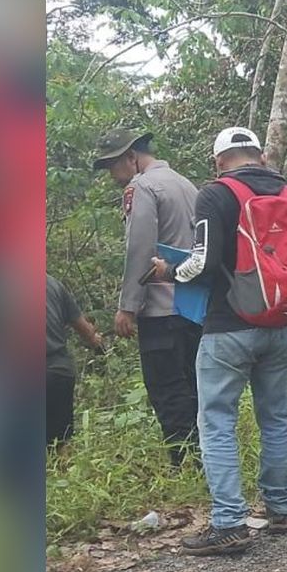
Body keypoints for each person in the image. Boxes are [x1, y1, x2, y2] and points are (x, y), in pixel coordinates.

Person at [152, 127, 287, 555]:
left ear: (220, 160)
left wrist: (167, 272)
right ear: (258, 155)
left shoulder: (216, 194)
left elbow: (201, 264)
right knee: (274, 417)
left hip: (229, 325)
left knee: (216, 420)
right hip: (281, 321)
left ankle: (229, 522)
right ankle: (281, 509)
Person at [93, 129, 201, 467]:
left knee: (167, 388)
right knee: (193, 383)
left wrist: (128, 306)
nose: (113, 175)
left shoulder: (140, 187)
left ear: (131, 158)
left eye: (113, 166)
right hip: (193, 304)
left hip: (160, 306)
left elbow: (140, 248)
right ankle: (205, 458)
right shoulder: (186, 185)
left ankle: (183, 462)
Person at [46, 274, 104, 447]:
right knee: (61, 442)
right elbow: (85, 330)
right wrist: (94, 339)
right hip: (59, 372)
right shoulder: (52, 283)